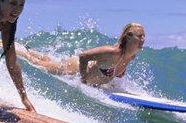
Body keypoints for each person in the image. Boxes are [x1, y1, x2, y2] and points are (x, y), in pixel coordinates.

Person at [15, 23, 146, 87]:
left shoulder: (131, 56)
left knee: (47, 60)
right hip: (73, 69)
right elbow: (84, 56)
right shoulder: (113, 52)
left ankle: (28, 49)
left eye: (144, 36)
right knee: (37, 64)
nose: (143, 39)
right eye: (140, 36)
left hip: (82, 73)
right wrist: (83, 79)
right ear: (128, 37)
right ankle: (15, 49)